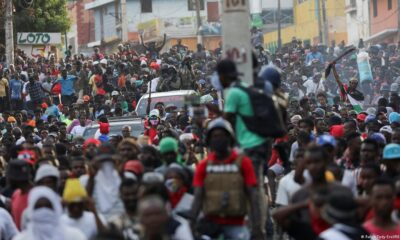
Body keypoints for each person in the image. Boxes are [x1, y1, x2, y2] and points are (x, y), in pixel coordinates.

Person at [217, 59, 269, 236]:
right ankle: (257, 225)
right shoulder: (245, 87)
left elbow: (227, 119)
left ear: (223, 76)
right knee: (255, 186)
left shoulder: (233, 92)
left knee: (251, 188)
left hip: (250, 145)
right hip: (259, 143)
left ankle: (258, 230)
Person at [191, 118, 264, 239]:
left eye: (222, 136)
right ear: (209, 140)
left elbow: (253, 195)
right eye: (214, 136)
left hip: (237, 224)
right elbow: (198, 196)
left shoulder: (243, 162)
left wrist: (257, 227)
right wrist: (192, 223)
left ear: (230, 138)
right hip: (211, 225)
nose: (218, 139)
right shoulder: (204, 165)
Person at [13, 186, 86, 240]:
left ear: (56, 209)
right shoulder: (21, 239)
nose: (43, 211)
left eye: (48, 206)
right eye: (38, 207)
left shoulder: (75, 236)